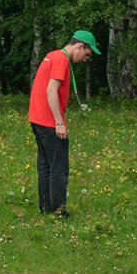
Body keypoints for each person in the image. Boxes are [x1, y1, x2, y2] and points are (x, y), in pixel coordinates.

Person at [28, 30, 99, 217]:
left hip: (37, 119)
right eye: (87, 53)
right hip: (49, 122)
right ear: (79, 46)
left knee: (45, 166)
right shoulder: (61, 60)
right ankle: (59, 212)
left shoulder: (51, 55)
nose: (86, 58)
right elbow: (51, 91)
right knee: (58, 168)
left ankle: (45, 208)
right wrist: (59, 123)